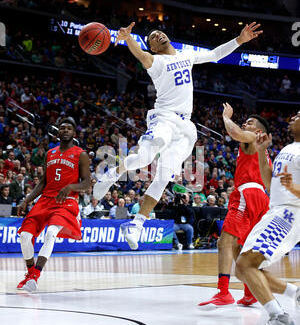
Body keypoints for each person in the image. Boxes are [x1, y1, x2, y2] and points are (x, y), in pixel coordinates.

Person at [93, 21, 263, 250]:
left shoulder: (187, 55)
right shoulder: (156, 61)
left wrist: (240, 40)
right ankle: (113, 173)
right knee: (144, 158)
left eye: (159, 32)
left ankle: (137, 224)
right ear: (152, 46)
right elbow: (142, 57)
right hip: (163, 117)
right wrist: (129, 39)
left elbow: (214, 54)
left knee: (163, 175)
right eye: (153, 36)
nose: (158, 35)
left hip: (185, 127)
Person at [199, 103, 272, 308]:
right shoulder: (265, 151)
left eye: (249, 122)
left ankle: (223, 292)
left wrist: (225, 117)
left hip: (246, 193)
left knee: (224, 241)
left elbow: (234, 132)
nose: (244, 124)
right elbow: (269, 181)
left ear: (259, 131)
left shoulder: (251, 137)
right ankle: (250, 293)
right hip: (262, 198)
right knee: (242, 247)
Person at [235, 112, 300, 325]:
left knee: (246, 265)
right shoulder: (288, 149)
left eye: (299, 116)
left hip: (288, 214)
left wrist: (293, 190)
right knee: (244, 271)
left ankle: (279, 318)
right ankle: (295, 295)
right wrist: (263, 151)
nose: (292, 117)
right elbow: (268, 182)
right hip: (278, 210)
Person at [16, 117, 91, 292]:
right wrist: (27, 199)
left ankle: (35, 276)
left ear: (74, 133)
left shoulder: (81, 154)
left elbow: (87, 182)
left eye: (69, 128)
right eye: (62, 128)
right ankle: (29, 274)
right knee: (25, 236)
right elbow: (43, 182)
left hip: (66, 201)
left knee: (51, 233)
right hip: (45, 200)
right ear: (58, 132)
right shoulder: (50, 153)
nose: (65, 130)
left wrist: (71, 186)